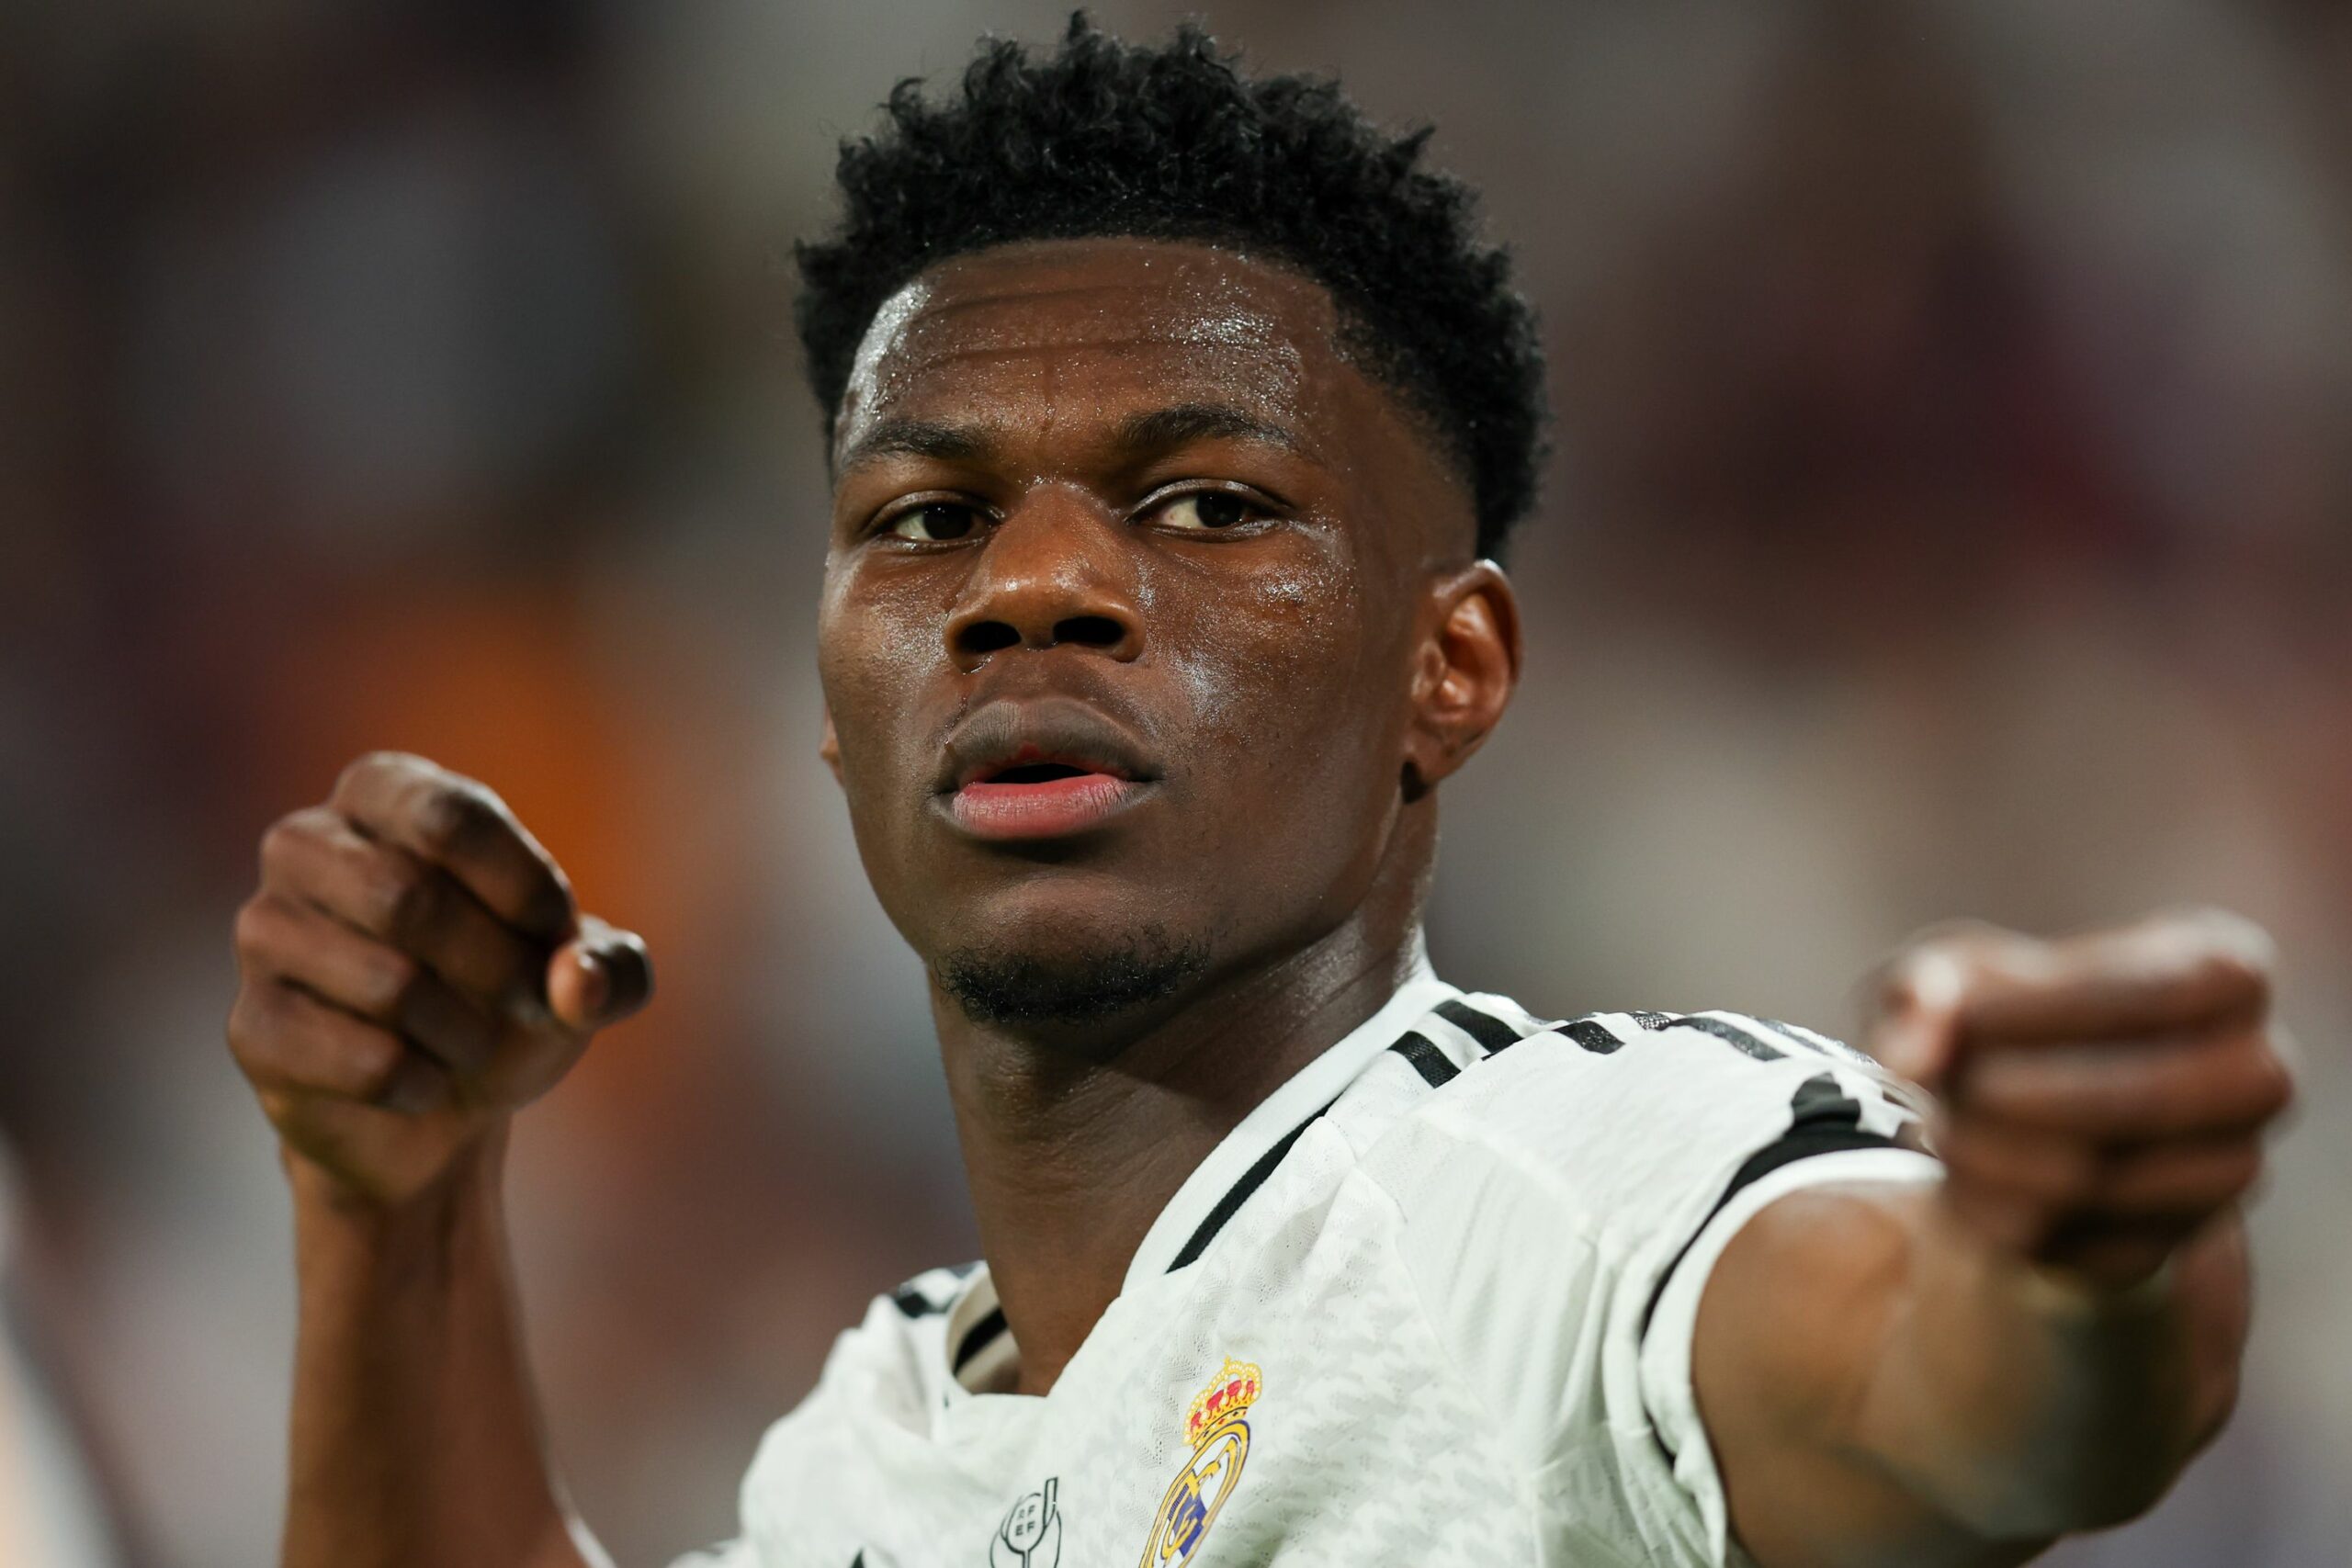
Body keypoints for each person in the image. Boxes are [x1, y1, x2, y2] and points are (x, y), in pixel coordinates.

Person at [225, 20, 2296, 1568]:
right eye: (927, 518)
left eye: (1207, 503)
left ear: (1447, 670)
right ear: (834, 706)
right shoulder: (859, 1464)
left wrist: (2081, 1275)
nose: (1030, 586)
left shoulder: (1553, 1197)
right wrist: (392, 1196)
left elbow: (1946, 1383)